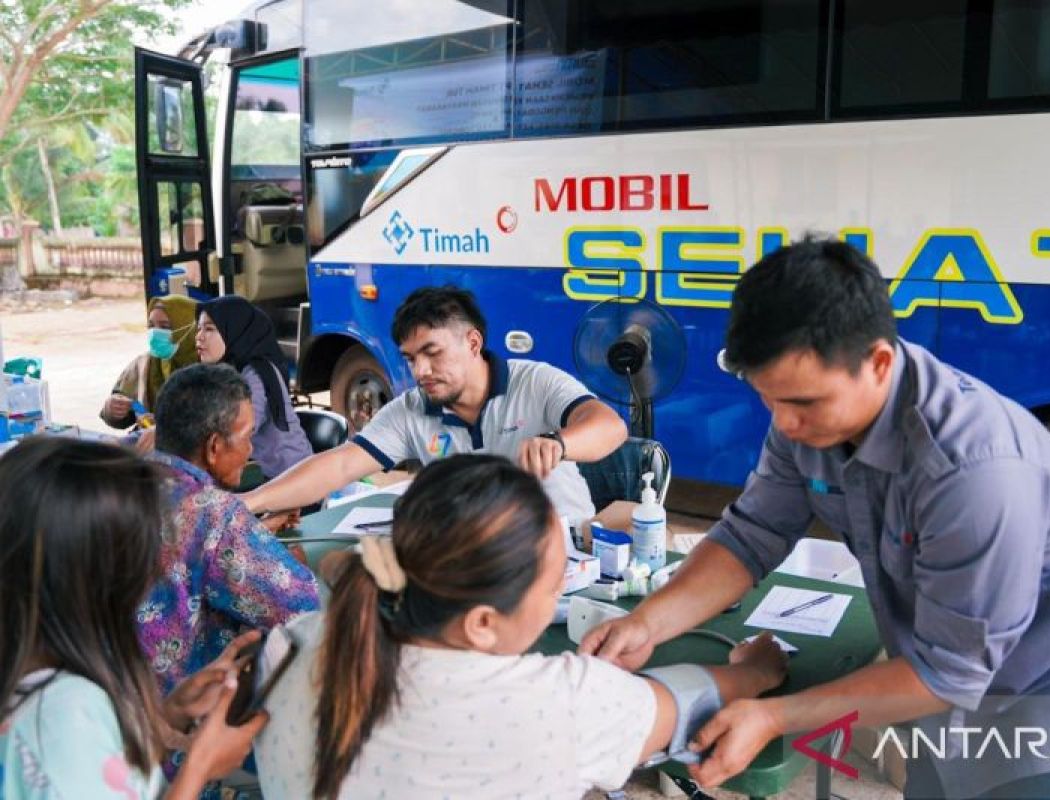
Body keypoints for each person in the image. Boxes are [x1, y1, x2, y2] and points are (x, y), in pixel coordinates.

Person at [580, 235, 1050, 798]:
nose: (785, 424)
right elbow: (749, 535)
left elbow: (945, 677)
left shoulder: (973, 474)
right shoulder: (809, 413)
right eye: (769, 398)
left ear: (879, 363)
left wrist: (774, 716)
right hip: (949, 672)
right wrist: (647, 625)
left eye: (803, 402)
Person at [253, 454, 787, 800]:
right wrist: (756, 672)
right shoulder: (563, 703)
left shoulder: (288, 646)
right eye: (556, 584)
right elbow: (687, 698)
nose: (561, 593)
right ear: (482, 623)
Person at [0, 437, 268, 799]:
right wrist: (201, 765)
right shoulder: (63, 715)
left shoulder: (43, 689)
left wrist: (169, 719)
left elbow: (95, 778)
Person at [242, 285, 627, 522]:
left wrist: (559, 443)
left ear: (473, 343)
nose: (420, 370)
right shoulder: (411, 409)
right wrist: (251, 500)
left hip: (566, 552)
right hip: (478, 556)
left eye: (432, 352)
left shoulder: (534, 381)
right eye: (410, 358)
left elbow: (610, 426)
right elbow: (341, 464)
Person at [139, 363, 319, 698]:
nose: (251, 450)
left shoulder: (123, 481)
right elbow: (302, 608)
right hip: (181, 716)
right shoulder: (214, 513)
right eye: (248, 436)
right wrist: (295, 560)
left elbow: (184, 550)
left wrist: (253, 530)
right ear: (214, 447)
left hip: (114, 705)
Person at [195, 295, 312, 480]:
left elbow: (239, 430)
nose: (199, 336)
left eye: (209, 329)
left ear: (234, 331)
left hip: (290, 478)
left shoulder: (257, 373)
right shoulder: (225, 372)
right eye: (198, 328)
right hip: (258, 472)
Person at [100, 294, 198, 429]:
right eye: (151, 325)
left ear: (189, 328)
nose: (155, 333)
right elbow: (124, 410)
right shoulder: (143, 365)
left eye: (165, 326)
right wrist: (112, 410)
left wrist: (164, 428)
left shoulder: (209, 367)